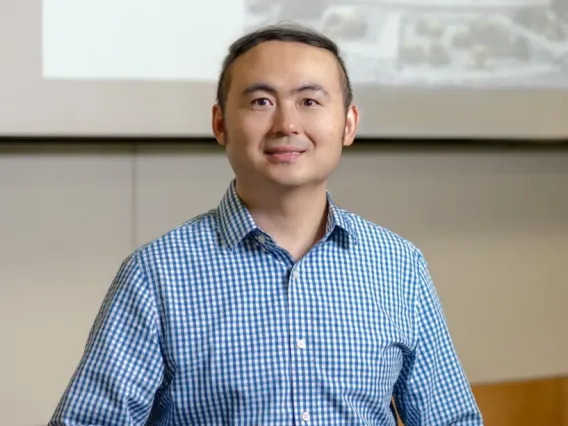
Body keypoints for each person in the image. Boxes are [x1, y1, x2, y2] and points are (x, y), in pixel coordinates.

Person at [49, 23, 483, 426]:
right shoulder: (156, 275)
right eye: (262, 102)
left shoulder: (398, 265)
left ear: (348, 124)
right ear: (220, 123)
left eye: (309, 101)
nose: (287, 124)